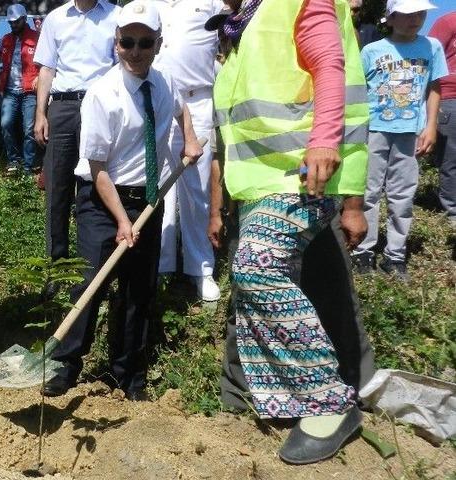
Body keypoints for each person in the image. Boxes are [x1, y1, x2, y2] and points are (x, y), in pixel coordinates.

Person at [212, 0, 371, 465]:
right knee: (257, 280)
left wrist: (323, 142)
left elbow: (330, 64)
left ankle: (329, 402)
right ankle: (285, 395)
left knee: (256, 268)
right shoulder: (244, 24)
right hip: (261, 185)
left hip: (301, 175)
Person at [42, 0, 202, 400]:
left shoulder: (163, 82)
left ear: (158, 44)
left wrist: (190, 137)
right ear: (116, 42)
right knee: (90, 285)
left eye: (145, 43)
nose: (135, 51)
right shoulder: (102, 94)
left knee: (138, 291)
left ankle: (128, 373)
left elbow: (180, 108)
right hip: (102, 201)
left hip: (148, 199)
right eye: (127, 42)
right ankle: (65, 365)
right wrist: (121, 219)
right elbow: (96, 168)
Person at [352, 0, 447, 280]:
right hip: (374, 130)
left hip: (410, 131)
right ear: (390, 18)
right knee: (368, 191)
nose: (415, 19)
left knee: (403, 194)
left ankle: (395, 255)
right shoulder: (372, 50)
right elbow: (358, 90)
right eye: (406, 14)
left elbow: (434, 87)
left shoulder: (431, 47)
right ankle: (363, 251)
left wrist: (430, 126)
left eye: (420, 13)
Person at [33, 0, 120, 264]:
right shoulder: (55, 18)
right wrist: (40, 113)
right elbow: (47, 68)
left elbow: (121, 67)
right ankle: (57, 264)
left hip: (100, 106)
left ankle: (91, 263)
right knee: (57, 186)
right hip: (63, 106)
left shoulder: (116, 16)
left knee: (94, 183)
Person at [152, 0, 225, 302]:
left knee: (196, 187)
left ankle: (201, 267)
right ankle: (161, 264)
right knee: (160, 186)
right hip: (158, 99)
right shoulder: (145, 4)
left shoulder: (211, 2)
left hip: (197, 99)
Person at [0, 4, 40, 176]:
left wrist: (39, 77)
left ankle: (28, 165)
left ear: (24, 19)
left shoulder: (37, 38)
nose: (13, 25)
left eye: (16, 21)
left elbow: (48, 61)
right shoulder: (5, 39)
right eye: (11, 22)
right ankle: (14, 160)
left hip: (30, 92)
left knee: (29, 129)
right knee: (5, 124)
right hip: (10, 91)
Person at [430, 11, 456, 227]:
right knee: (451, 158)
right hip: (450, 97)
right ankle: (452, 210)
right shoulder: (448, 22)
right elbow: (428, 58)